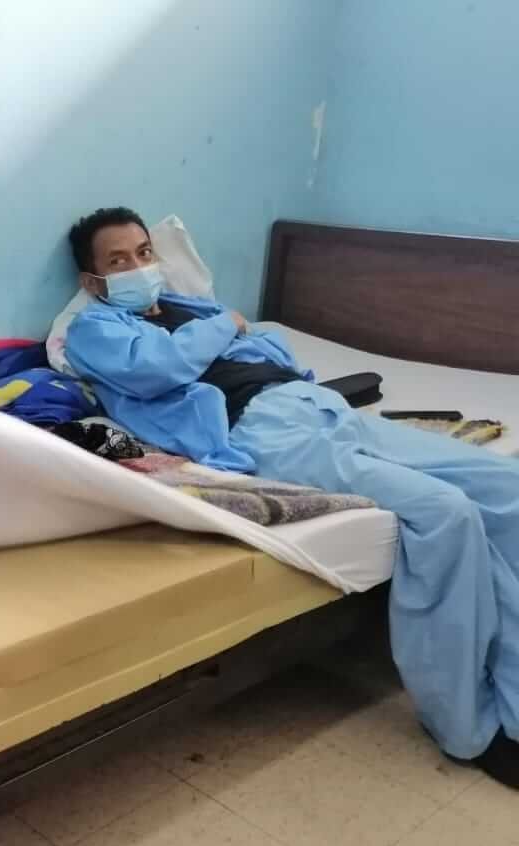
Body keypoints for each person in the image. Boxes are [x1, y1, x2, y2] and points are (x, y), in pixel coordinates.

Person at [52, 207, 519, 790]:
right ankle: (468, 728)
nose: (139, 267)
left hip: (318, 405)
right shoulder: (94, 330)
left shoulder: (188, 308)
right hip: (261, 429)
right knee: (445, 513)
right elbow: (159, 368)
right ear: (93, 281)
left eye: (144, 253)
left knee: (506, 488)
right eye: (119, 261)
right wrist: (227, 326)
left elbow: (276, 349)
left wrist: (231, 331)